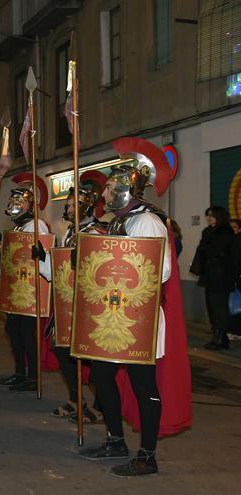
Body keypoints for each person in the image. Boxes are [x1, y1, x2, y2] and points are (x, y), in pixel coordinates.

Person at [78, 137, 192, 477]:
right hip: (114, 313)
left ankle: (148, 454)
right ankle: (115, 439)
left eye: (110, 186)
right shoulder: (117, 220)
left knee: (145, 385)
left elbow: (163, 269)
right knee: (101, 374)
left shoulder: (148, 222)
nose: (104, 193)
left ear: (127, 187)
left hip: (139, 318)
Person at [50, 171, 108, 423]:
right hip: (67, 304)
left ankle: (101, 405)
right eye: (69, 203)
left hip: (90, 306)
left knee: (94, 358)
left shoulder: (96, 232)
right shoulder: (69, 232)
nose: (69, 207)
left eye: (75, 204)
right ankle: (76, 399)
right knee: (63, 351)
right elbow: (60, 271)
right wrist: (44, 258)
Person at [0, 173, 51, 392]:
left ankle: (33, 376)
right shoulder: (18, 228)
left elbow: (41, 256)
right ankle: (19, 372)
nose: (16, 203)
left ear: (31, 204)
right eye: (14, 199)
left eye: (21, 199)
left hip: (31, 290)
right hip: (15, 288)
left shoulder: (37, 225)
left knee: (28, 335)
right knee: (13, 331)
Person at [197, 206, 234, 350]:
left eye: (212, 215)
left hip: (222, 277)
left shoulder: (225, 232)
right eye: (208, 215)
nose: (209, 218)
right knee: (212, 306)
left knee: (220, 308)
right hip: (210, 276)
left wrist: (206, 246)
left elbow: (213, 250)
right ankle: (219, 337)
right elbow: (203, 249)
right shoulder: (208, 231)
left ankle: (220, 337)